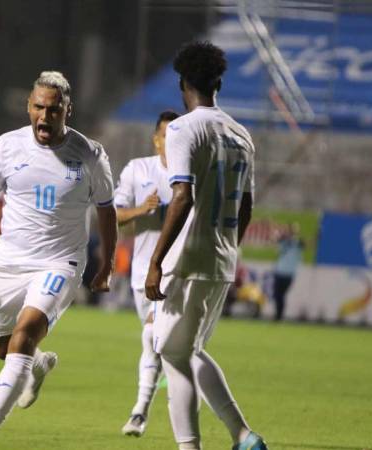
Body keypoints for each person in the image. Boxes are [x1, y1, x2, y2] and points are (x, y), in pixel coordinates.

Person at [0, 71, 117, 450]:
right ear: (29, 107)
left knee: (25, 332)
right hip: (9, 261)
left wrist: (106, 264)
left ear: (67, 110)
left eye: (53, 110)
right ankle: (38, 364)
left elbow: (107, 210)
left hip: (60, 263)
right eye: (39, 108)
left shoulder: (90, 154)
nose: (44, 117)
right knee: (4, 347)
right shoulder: (7, 147)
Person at [144, 41, 267, 450]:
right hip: (221, 257)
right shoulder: (241, 134)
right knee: (189, 349)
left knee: (172, 355)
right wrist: (227, 248)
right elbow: (246, 206)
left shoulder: (182, 128)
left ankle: (192, 446)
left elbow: (182, 195)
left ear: (183, 83)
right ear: (218, 83)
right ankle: (243, 437)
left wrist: (155, 261)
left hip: (188, 258)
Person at [115, 110, 179, 437]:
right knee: (158, 343)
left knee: (150, 336)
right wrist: (143, 209)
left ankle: (139, 412)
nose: (173, 143)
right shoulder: (138, 170)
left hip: (177, 272)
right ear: (156, 139)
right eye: (168, 136)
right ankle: (179, 380)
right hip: (142, 273)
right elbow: (116, 216)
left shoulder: (191, 175)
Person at [272, 222, 304, 321]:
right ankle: (278, 315)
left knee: (281, 295)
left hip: (289, 274)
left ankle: (279, 316)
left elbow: (310, 243)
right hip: (279, 272)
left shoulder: (298, 244)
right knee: (277, 295)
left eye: (292, 231)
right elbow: (275, 241)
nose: (290, 233)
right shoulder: (283, 242)